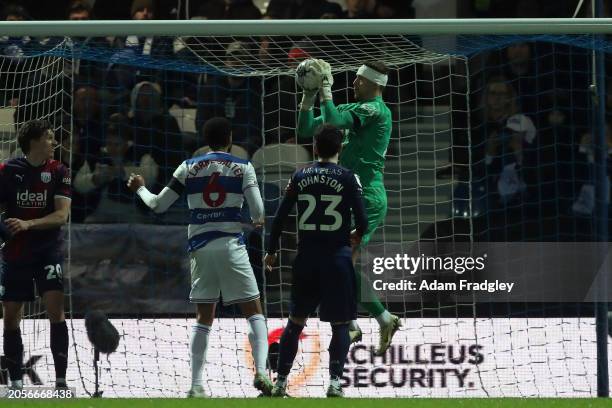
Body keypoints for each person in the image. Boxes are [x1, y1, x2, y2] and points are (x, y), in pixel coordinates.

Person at [127, 117, 273, 397]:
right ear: (230, 139)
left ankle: (195, 386)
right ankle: (262, 374)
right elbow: (258, 212)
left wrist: (140, 188)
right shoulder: (243, 167)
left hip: (200, 248)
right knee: (254, 312)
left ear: (206, 141)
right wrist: (255, 220)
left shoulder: (188, 167)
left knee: (204, 317)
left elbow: (158, 205)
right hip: (231, 245)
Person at [296, 59, 401, 355]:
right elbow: (305, 128)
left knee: (340, 261)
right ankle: (373, 319)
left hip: (367, 196)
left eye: (358, 80)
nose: (353, 83)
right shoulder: (353, 109)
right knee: (339, 262)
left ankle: (360, 321)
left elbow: (335, 120)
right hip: (348, 195)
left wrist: (327, 89)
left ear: (375, 84)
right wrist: (308, 94)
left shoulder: (376, 110)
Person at [264, 124, 368, 398]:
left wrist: (271, 250)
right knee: (341, 324)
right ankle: (335, 383)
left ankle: (280, 382)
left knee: (295, 322)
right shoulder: (348, 177)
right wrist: (355, 235)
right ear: (340, 148)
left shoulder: (300, 176)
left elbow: (281, 217)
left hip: (307, 257)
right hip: (337, 259)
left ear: (314, 148)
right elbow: (364, 221)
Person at [0, 120, 71, 390]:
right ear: (33, 142)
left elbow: (62, 215)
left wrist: (28, 223)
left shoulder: (59, 171)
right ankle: (16, 382)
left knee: (56, 308)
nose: (54, 142)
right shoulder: (8, 171)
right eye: (49, 137)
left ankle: (61, 382)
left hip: (46, 251)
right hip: (16, 253)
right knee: (11, 314)